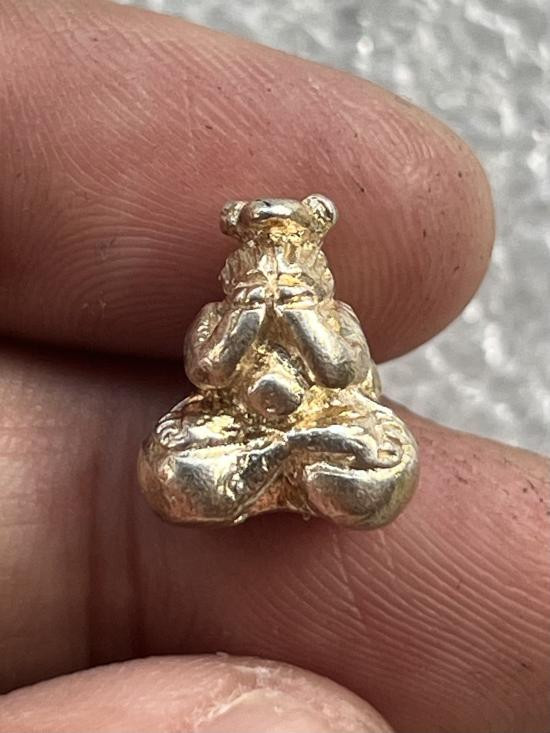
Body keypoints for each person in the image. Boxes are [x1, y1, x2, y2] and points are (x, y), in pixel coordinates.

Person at [0, 1, 548, 731]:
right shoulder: (224, 315)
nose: (275, 268)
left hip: (321, 430)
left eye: (290, 259)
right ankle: (276, 460)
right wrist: (253, 316)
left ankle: (289, 459)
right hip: (239, 430)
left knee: (389, 462)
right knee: (168, 468)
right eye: (260, 258)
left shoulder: (332, 314)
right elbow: (209, 372)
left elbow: (343, 374)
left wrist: (300, 317)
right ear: (237, 267)